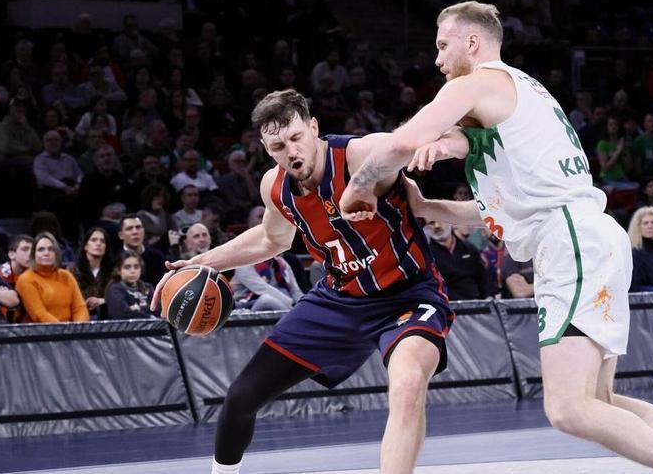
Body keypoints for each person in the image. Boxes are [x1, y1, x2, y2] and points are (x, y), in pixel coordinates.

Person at [339, 1, 653, 474]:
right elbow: (500, 208)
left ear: (472, 42)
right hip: (591, 237)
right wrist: (426, 206)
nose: (437, 60)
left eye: (442, 46)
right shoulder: (525, 93)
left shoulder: (476, 82)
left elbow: (401, 142)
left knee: (568, 409)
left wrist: (356, 188)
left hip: (570, 242)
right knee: (601, 399)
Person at [150, 89, 453, 474]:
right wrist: (196, 263)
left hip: (407, 295)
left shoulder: (359, 155)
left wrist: (456, 132)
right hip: (339, 300)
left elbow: (415, 138)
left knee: (407, 385)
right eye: (278, 146)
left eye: (296, 137)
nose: (291, 151)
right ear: (265, 148)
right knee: (241, 397)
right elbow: (271, 239)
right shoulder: (274, 187)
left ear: (313, 127)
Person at [15, 232, 89, 323]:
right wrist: (63, 329)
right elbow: (39, 314)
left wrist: (78, 327)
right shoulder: (26, 279)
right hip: (42, 330)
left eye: (51, 249)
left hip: (70, 329)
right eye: (41, 250)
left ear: (56, 254)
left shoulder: (66, 276)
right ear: (34, 255)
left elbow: (80, 308)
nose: (46, 253)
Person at [425, 219, 493, 300]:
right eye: (431, 223)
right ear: (427, 227)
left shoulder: (470, 249)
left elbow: (484, 278)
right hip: (445, 304)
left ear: (451, 223)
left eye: (440, 221)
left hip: (475, 302)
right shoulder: (427, 255)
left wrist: (488, 297)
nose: (437, 226)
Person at [70, 228, 114, 319]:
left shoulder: (113, 271)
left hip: (106, 318)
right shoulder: (72, 271)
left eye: (102, 241)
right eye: (94, 240)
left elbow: (119, 297)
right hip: (78, 318)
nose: (98, 244)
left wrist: (103, 301)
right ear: (85, 246)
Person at [232, 255, 304, 312]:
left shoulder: (281, 263)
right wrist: (292, 304)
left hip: (284, 304)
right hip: (248, 305)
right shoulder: (244, 264)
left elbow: (295, 291)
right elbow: (263, 289)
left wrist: (304, 304)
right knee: (266, 300)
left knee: (284, 292)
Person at [118, 214, 167, 286]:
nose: (135, 232)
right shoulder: (115, 259)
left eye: (138, 227)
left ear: (144, 231)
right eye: (129, 228)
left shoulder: (157, 256)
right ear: (121, 235)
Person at [104, 251, 154, 319]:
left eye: (136, 267)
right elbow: (122, 314)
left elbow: (158, 310)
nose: (133, 271)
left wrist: (138, 308)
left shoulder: (148, 287)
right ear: (118, 270)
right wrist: (148, 313)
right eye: (127, 267)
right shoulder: (114, 289)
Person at [0, 234, 33, 322]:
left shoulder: (35, 272)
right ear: (12, 254)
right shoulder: (1, 275)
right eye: (25, 249)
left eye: (33, 250)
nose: (30, 254)